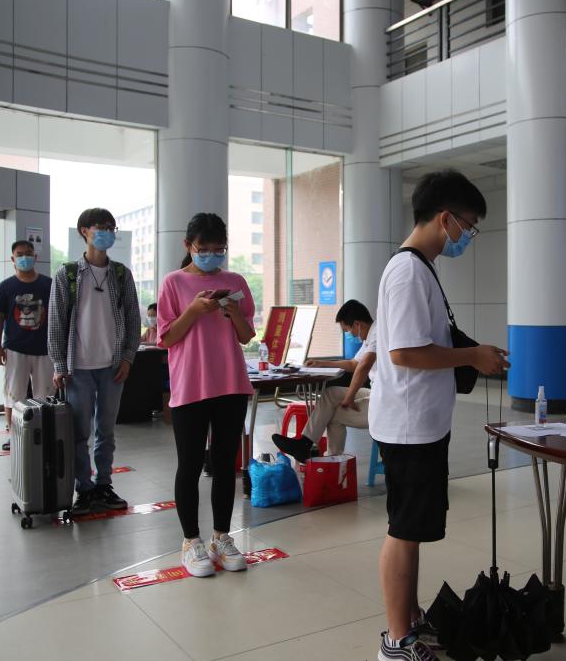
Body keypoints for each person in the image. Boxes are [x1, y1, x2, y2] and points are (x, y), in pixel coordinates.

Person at [372, 170, 509, 661]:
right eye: (468, 227)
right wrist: (473, 357)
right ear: (445, 218)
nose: (467, 236)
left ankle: (409, 620)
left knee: (412, 530)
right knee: (404, 531)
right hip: (409, 426)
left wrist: (474, 353)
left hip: (419, 422)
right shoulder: (409, 271)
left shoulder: (419, 268)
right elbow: (405, 352)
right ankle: (397, 641)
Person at [157, 213, 256, 578]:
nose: (212, 255)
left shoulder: (235, 281)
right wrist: (194, 310)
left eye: (219, 249)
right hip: (190, 386)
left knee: (225, 463)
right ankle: (191, 541)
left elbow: (246, 336)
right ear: (189, 246)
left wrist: (233, 311)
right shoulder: (173, 282)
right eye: (204, 248)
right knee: (189, 464)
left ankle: (221, 537)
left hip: (230, 383)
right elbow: (166, 338)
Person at [48, 208, 141, 516]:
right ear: (84, 231)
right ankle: (84, 489)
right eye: (100, 227)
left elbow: (133, 318)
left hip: (113, 366)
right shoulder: (68, 275)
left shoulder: (121, 274)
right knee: (79, 434)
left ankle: (103, 484)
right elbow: (56, 323)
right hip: (78, 368)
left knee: (106, 432)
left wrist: (128, 357)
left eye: (111, 228)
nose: (107, 233)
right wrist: (59, 365)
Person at [272, 299, 376, 462]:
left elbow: (362, 367)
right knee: (330, 393)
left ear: (357, 324)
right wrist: (323, 363)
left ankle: (332, 462)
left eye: (347, 330)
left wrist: (350, 397)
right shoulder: (370, 336)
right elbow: (354, 364)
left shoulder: (376, 335)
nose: (350, 335)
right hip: (376, 392)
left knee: (332, 415)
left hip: (383, 401)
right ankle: (305, 443)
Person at [0, 240, 54, 451]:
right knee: (14, 395)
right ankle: (14, 436)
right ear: (12, 259)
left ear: (35, 257)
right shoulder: (5, 287)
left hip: (45, 349)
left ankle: (44, 435)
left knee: (45, 395)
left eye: (28, 253)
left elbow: (57, 317)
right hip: (15, 349)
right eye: (19, 254)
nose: (24, 257)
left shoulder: (49, 285)